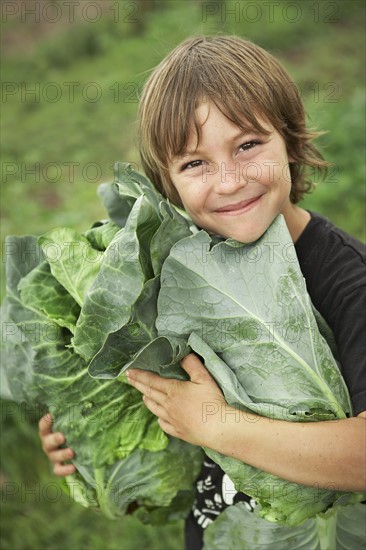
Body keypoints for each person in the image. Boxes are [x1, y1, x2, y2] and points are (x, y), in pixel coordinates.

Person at [39, 35, 366, 549]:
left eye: (248, 145)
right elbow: (163, 404)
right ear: (165, 185)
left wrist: (216, 426)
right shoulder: (172, 274)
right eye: (195, 164)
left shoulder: (347, 280)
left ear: (290, 138)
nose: (230, 181)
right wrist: (83, 437)